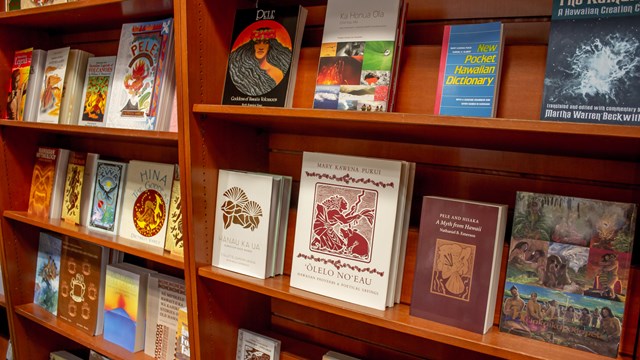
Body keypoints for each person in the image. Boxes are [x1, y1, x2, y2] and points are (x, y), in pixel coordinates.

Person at [228, 27, 292, 96]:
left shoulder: (277, 73)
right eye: (257, 42)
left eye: (265, 43)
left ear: (270, 46)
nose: (261, 47)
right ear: (252, 46)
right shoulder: (241, 70)